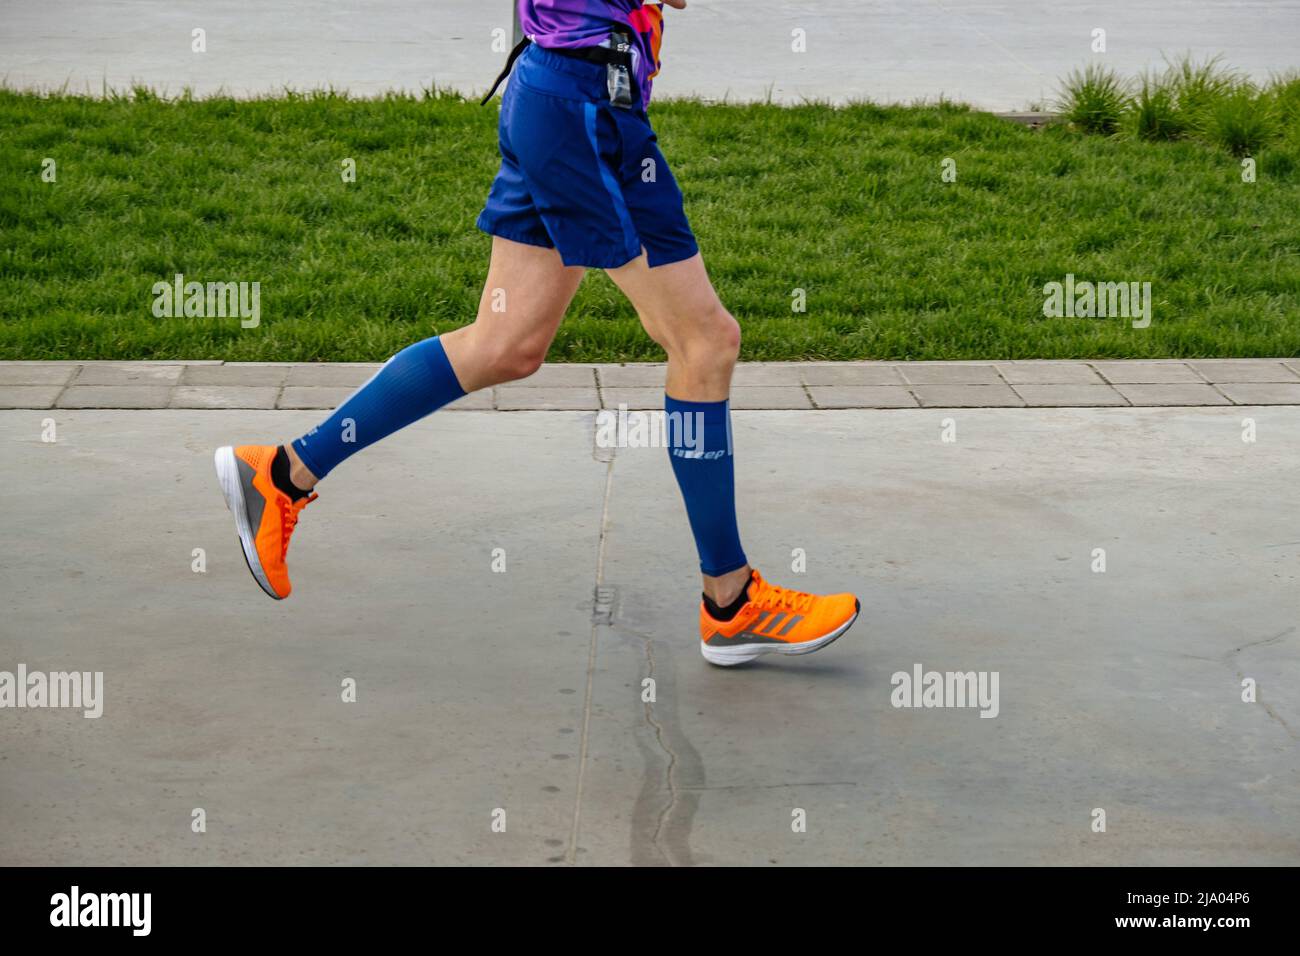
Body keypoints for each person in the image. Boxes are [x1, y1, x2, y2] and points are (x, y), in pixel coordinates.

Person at [214, 0, 859, 666]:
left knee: (506, 345)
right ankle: (731, 601)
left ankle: (280, 474)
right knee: (705, 342)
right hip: (581, 106)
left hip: (558, 91)